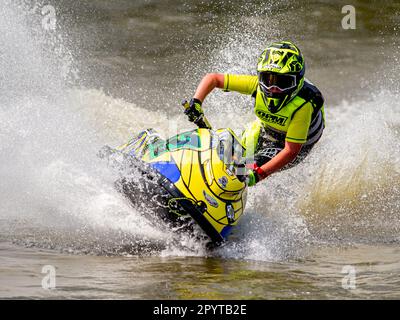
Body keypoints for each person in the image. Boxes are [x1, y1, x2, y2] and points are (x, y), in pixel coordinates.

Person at [185, 40, 325, 186]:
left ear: (297, 81)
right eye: (268, 79)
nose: (273, 88)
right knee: (229, 153)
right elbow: (213, 79)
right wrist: (196, 102)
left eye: (282, 82)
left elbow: (290, 151)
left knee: (246, 168)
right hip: (266, 128)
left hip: (294, 146)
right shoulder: (255, 85)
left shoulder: (304, 105)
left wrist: (258, 175)